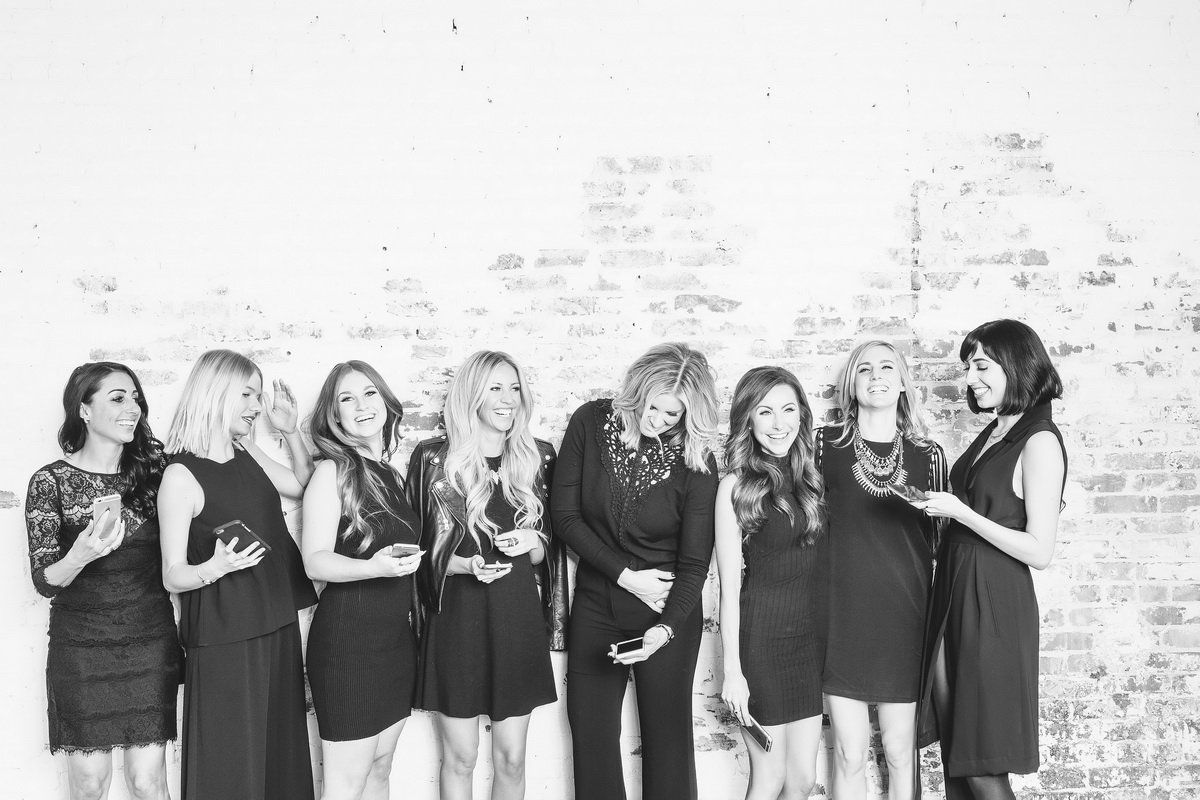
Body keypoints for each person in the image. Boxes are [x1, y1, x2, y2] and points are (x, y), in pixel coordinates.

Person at [552, 342, 720, 800]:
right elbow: (564, 517)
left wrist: (665, 629)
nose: (659, 420)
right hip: (597, 604)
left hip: (666, 613)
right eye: (653, 406)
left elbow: (694, 564)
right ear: (637, 391)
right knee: (591, 741)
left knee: (668, 747)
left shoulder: (696, 460)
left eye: (673, 415)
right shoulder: (590, 422)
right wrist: (627, 577)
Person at [916, 320, 1067, 800]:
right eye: (969, 368)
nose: (970, 379)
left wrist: (961, 512)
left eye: (981, 366)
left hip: (994, 600)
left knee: (982, 760)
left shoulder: (1039, 440)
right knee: (959, 758)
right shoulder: (995, 431)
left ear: (1016, 365)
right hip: (954, 591)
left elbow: (1039, 550)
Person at [406, 350, 567, 800]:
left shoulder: (538, 458)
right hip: (455, 622)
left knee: (512, 759)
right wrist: (464, 564)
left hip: (517, 621)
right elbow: (413, 549)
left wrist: (533, 542)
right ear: (471, 395)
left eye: (514, 388)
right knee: (461, 757)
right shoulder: (432, 459)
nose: (508, 399)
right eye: (495, 388)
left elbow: (549, 554)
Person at [158, 349, 318, 800]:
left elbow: (303, 486)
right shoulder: (180, 476)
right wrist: (215, 567)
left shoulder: (246, 451)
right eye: (247, 394)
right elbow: (172, 575)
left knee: (280, 761)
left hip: (276, 620)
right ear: (216, 393)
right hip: (225, 634)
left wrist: (290, 432)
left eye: (258, 395)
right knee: (228, 767)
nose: (255, 406)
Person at [24, 362, 184, 800]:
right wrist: (80, 555)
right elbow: (44, 580)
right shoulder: (51, 481)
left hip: (149, 639)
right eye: (118, 398)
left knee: (147, 782)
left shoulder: (158, 474)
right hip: (81, 647)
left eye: (136, 397)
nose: (133, 407)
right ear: (84, 409)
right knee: (90, 783)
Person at [817, 342, 947, 800]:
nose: (876, 376)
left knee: (898, 751)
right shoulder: (824, 446)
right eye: (864, 369)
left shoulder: (930, 455)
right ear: (851, 384)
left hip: (905, 618)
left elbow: (939, 543)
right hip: (841, 617)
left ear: (903, 382)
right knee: (850, 753)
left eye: (887, 367)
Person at [302, 361, 424, 800]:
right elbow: (314, 562)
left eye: (369, 393)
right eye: (347, 399)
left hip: (394, 645)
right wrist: (374, 567)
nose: (361, 406)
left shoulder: (392, 474)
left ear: (385, 402)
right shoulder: (332, 471)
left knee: (379, 770)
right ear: (335, 416)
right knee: (346, 784)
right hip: (348, 647)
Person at [716, 366, 828, 800]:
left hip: (806, 645)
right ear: (748, 418)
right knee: (770, 778)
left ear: (802, 414)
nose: (779, 423)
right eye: (765, 411)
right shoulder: (735, 486)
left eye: (788, 409)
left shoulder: (811, 478)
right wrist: (733, 671)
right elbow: (728, 589)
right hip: (759, 646)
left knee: (801, 782)